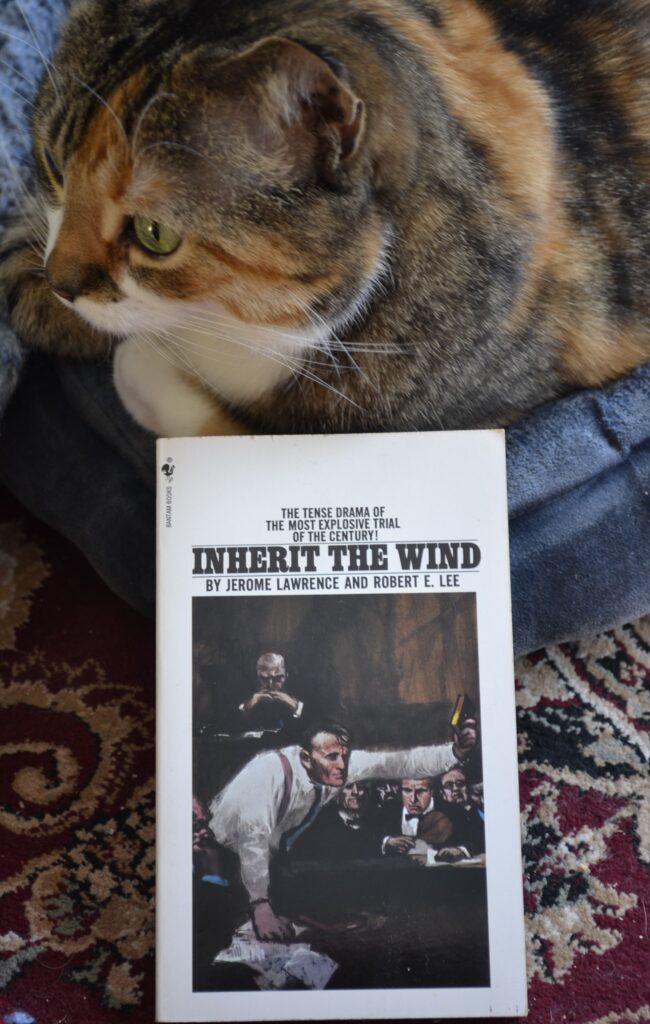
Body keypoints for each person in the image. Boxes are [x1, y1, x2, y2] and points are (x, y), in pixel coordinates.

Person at [208, 719, 476, 941]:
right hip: (222, 858)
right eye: (332, 757)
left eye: (345, 756)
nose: (342, 765)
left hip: (269, 861)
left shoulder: (333, 765)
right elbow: (252, 839)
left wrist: (454, 753)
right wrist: (260, 907)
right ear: (305, 758)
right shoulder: (266, 774)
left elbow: (397, 762)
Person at [287, 780, 382, 862]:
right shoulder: (323, 822)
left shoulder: (373, 819)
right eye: (348, 787)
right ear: (336, 793)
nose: (355, 792)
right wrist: (384, 842)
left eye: (360, 787)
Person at [381, 777, 453, 856]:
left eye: (420, 791)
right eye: (407, 791)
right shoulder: (387, 811)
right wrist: (387, 842)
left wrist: (459, 850)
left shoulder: (451, 812)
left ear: (432, 792)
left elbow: (467, 843)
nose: (413, 800)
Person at [237, 652, 303, 734]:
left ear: (286, 675)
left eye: (277, 679)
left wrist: (294, 705)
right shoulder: (245, 694)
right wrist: (248, 705)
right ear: (257, 676)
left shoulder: (298, 692)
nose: (270, 685)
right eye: (264, 679)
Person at [435, 766, 485, 863]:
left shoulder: (478, 811)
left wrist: (462, 851)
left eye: (460, 784)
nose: (455, 789)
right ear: (442, 793)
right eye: (449, 785)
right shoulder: (438, 817)